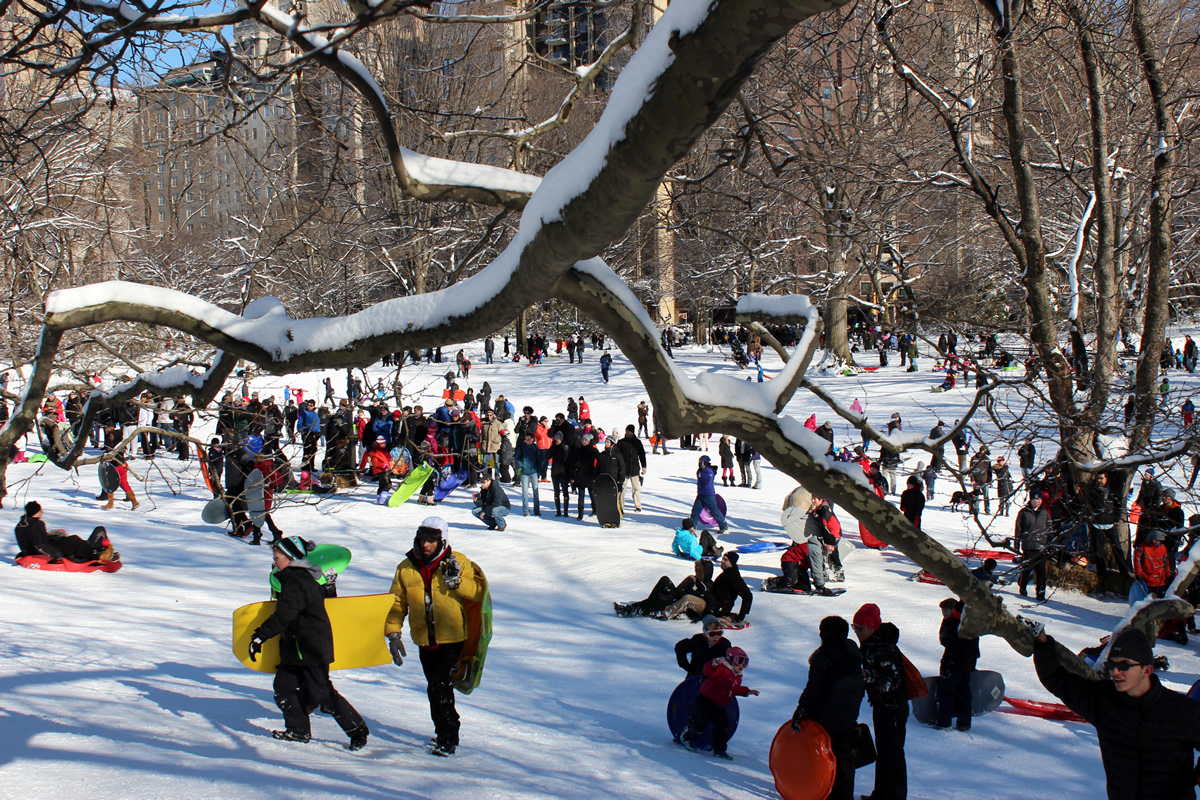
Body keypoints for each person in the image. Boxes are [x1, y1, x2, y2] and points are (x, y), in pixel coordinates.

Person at [1032, 624, 1200, 799]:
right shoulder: (1103, 700)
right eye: (1111, 665)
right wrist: (1043, 644)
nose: (1115, 672)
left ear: (1147, 670)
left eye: (1124, 665)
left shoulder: (1181, 710)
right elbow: (1057, 680)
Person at [248, 536, 368, 751]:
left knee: (323, 695)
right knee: (283, 688)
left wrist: (259, 637)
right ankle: (298, 730)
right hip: (295, 648)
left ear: (291, 558)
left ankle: (357, 730)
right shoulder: (294, 579)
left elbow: (284, 615)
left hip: (312, 648)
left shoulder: (298, 582)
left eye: (277, 558)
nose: (275, 562)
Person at [384, 517, 478, 757]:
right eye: (422, 539)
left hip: (453, 637)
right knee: (435, 687)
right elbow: (397, 602)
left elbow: (478, 594)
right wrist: (393, 632)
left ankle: (448, 736)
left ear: (443, 541)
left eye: (432, 540)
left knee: (439, 686)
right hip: (425, 639)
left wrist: (457, 583)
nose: (426, 545)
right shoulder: (406, 567)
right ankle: (445, 730)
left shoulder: (459, 562)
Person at [791, 616, 864, 800]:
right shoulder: (853, 653)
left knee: (822, 758)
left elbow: (815, 689)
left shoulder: (823, 657)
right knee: (844, 759)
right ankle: (844, 795)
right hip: (848, 715)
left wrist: (801, 710)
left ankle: (822, 792)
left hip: (824, 718)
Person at [853, 603, 908, 800]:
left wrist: (868, 676)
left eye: (860, 627)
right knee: (883, 752)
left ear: (871, 627)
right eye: (854, 627)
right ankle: (881, 794)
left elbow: (891, 682)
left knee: (893, 753)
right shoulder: (870, 644)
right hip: (881, 706)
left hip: (893, 707)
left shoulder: (884, 648)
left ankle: (894, 796)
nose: (857, 632)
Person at [679, 646, 759, 760]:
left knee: (723, 727)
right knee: (699, 723)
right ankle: (687, 737)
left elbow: (735, 689)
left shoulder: (737, 677)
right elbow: (707, 671)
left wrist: (747, 691)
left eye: (745, 662)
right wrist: (713, 663)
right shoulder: (721, 669)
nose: (742, 665)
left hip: (719, 705)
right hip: (705, 701)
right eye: (739, 661)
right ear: (730, 660)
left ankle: (720, 749)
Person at [14, 501, 115, 563]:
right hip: (47, 551)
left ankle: (95, 549)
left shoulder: (21, 525)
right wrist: (56, 554)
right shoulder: (36, 524)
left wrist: (52, 536)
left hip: (36, 550)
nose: (42, 513)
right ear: (36, 512)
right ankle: (98, 554)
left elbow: (33, 540)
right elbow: (40, 544)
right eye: (41, 511)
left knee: (72, 541)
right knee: (74, 541)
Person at [614, 560, 715, 619]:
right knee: (664, 579)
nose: (695, 571)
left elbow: (700, 600)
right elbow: (678, 591)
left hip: (678, 605)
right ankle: (651, 603)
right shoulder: (694, 580)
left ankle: (629, 610)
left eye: (698, 570)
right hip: (677, 598)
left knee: (655, 603)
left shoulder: (706, 586)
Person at [934, 598, 978, 731]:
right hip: (965, 665)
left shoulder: (955, 626)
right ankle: (964, 723)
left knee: (946, 693)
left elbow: (951, 647)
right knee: (964, 694)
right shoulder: (970, 625)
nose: (944, 613)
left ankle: (943, 722)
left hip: (955, 665)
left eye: (946, 610)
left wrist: (945, 665)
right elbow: (975, 648)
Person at [1015, 490, 1052, 601]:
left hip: (1041, 547)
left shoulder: (1045, 513)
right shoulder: (1024, 513)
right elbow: (1018, 529)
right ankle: (1023, 587)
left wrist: (1051, 543)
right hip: (1029, 546)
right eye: (1036, 499)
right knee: (1026, 570)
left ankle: (1041, 593)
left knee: (1042, 573)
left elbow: (1050, 529)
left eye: (1040, 499)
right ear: (1031, 500)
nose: (1039, 501)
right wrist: (1017, 545)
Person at [688, 455, 729, 533]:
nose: (700, 463)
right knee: (695, 510)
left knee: (714, 510)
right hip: (700, 494)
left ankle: (723, 525)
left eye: (702, 462)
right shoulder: (700, 471)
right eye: (699, 461)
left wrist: (702, 472)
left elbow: (706, 480)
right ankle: (692, 526)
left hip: (708, 494)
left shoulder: (708, 471)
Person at [711, 552, 752, 622]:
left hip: (718, 609)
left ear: (731, 563)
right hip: (713, 605)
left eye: (725, 560)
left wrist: (742, 615)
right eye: (722, 559)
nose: (722, 561)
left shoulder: (733, 577)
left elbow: (748, 595)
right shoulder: (727, 573)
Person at [615, 425, 647, 513]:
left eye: (629, 431)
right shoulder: (621, 443)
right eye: (627, 431)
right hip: (623, 469)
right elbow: (617, 455)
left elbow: (642, 455)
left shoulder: (637, 442)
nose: (627, 433)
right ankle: (620, 506)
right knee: (622, 488)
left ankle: (638, 505)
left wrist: (644, 466)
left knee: (636, 488)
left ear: (632, 432)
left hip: (634, 469)